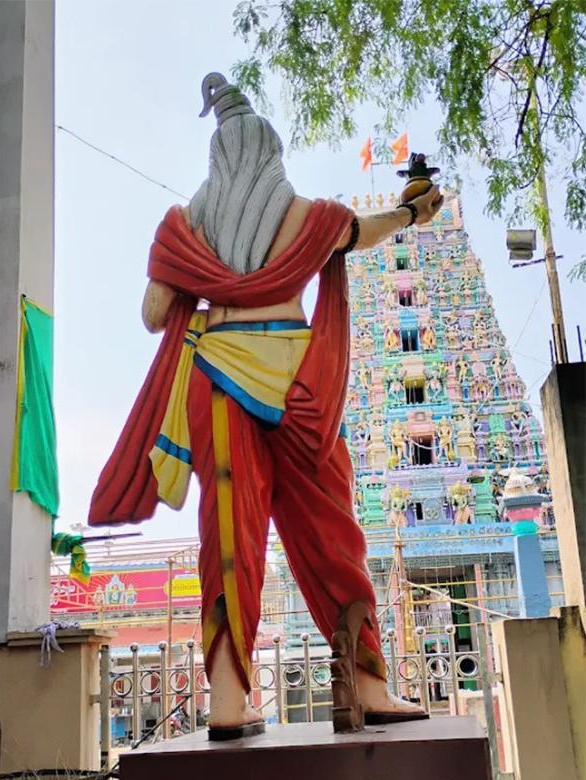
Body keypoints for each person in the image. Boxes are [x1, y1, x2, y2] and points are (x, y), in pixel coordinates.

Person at [89, 73, 443, 739]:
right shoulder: (306, 215)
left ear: (217, 159)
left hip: (217, 377)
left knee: (228, 535)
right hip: (294, 384)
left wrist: (185, 267)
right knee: (333, 529)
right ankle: (368, 687)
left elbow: (154, 313)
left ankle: (228, 701)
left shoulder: (188, 222)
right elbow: (366, 231)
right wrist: (412, 213)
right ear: (272, 153)